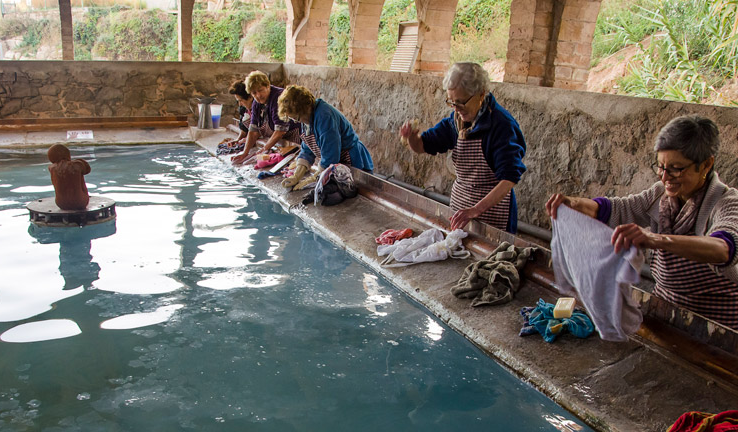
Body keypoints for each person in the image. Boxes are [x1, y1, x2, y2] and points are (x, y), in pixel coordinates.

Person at [546, 114, 738, 329]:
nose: (665, 177)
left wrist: (656, 239)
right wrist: (575, 203)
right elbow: (619, 209)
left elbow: (723, 249)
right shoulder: (660, 196)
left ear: (705, 165)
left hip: (718, 326)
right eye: (661, 166)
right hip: (666, 310)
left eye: (676, 168)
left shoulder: (727, 203)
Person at [399, 62, 526, 233]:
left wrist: (475, 210)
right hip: (461, 210)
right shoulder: (456, 122)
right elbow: (423, 146)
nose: (456, 109)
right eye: (451, 102)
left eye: (461, 103)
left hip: (492, 215)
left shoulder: (502, 126)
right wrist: (412, 138)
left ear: (481, 94)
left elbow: (509, 179)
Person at [276, 84, 374, 191]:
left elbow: (330, 156)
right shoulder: (307, 118)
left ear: (305, 108)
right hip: (336, 164)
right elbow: (307, 149)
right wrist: (297, 175)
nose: (296, 122)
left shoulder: (324, 116)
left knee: (353, 191)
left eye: (297, 118)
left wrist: (314, 178)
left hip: (352, 161)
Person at [231, 71, 301, 165]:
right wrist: (245, 153)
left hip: (298, 136)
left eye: (260, 90)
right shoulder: (257, 103)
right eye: (254, 93)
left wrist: (264, 149)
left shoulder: (279, 98)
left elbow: (280, 131)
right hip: (286, 140)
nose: (258, 95)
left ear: (268, 86)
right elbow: (253, 131)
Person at [47, 143, 91, 210]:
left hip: (60, 204)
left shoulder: (51, 168)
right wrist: (80, 161)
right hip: (80, 203)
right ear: (68, 154)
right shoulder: (77, 164)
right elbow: (88, 170)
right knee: (78, 175)